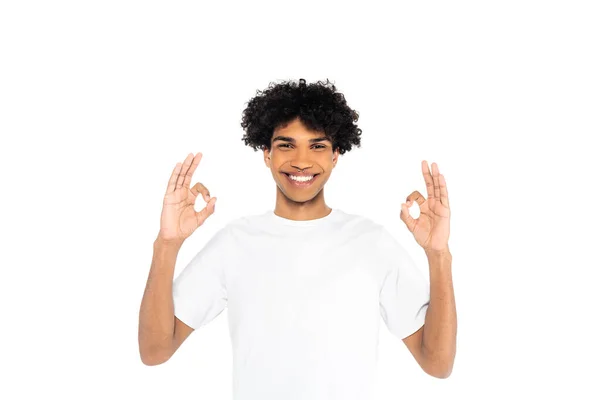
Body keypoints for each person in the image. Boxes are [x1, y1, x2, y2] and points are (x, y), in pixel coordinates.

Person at [138, 78, 457, 399]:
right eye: (286, 145)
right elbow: (155, 351)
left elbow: (438, 363)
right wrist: (167, 243)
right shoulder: (235, 242)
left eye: (317, 146)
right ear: (266, 153)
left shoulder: (371, 242)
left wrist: (438, 254)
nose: (302, 161)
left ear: (336, 155)